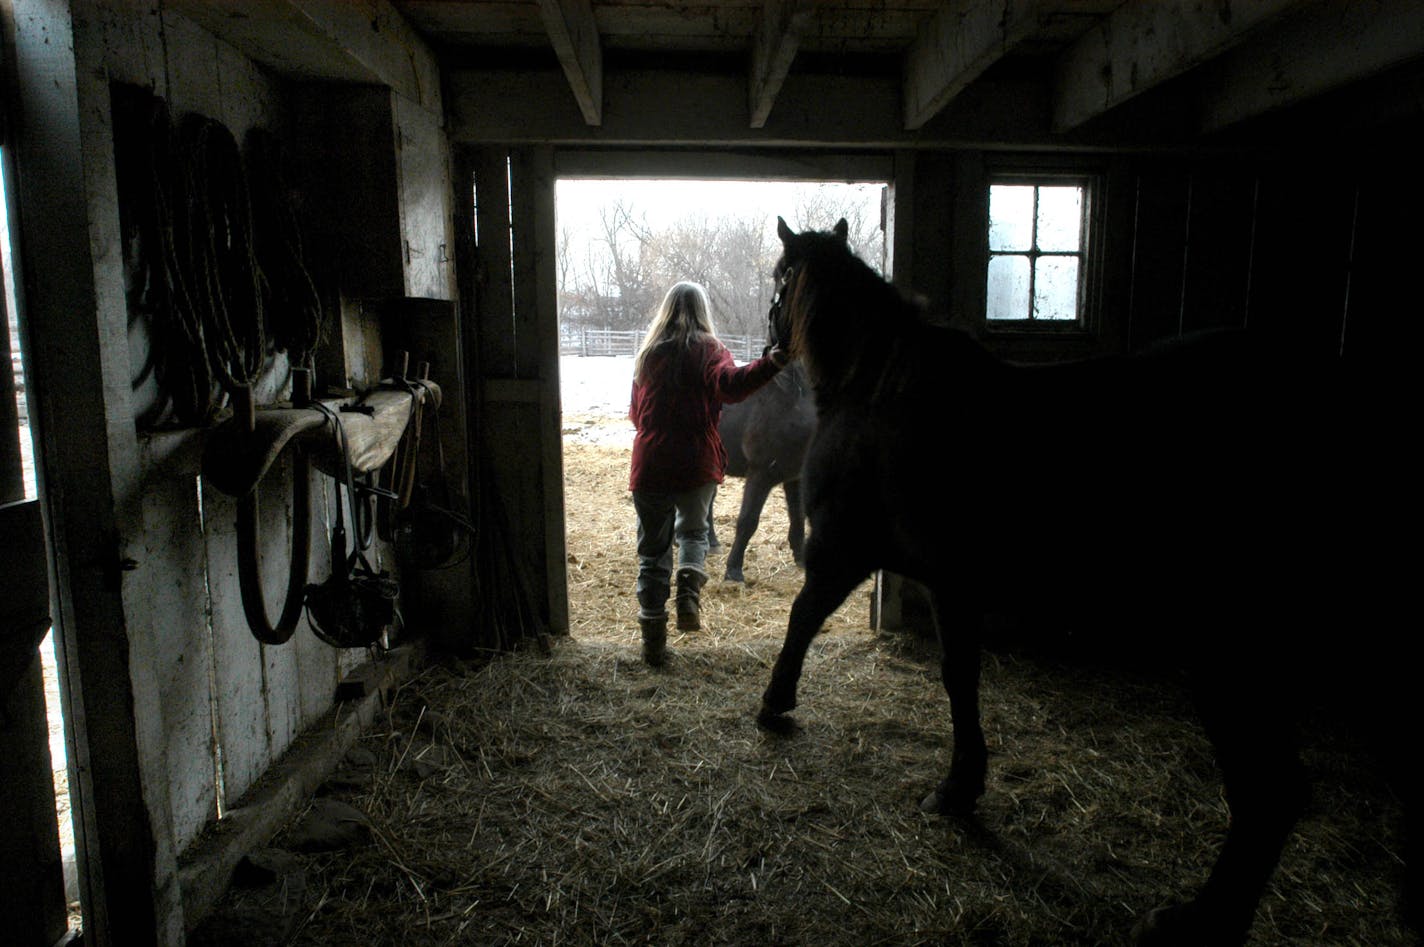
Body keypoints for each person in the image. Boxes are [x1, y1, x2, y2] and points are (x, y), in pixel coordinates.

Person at [628, 281, 788, 666]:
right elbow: (732, 388)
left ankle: (653, 645)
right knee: (695, 532)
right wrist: (772, 363)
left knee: (652, 554)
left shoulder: (647, 355)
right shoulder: (710, 350)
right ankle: (687, 595)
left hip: (650, 463)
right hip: (695, 461)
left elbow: (635, 414)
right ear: (703, 311)